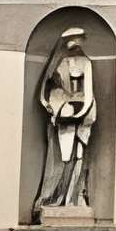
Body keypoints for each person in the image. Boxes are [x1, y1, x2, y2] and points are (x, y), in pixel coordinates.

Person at [34, 26, 96, 213]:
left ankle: (74, 198)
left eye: (79, 38)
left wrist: (81, 113)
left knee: (79, 155)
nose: (76, 43)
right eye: (73, 38)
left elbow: (89, 93)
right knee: (65, 156)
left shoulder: (85, 62)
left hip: (82, 114)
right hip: (64, 114)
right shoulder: (58, 63)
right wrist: (51, 107)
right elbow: (43, 93)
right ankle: (59, 197)